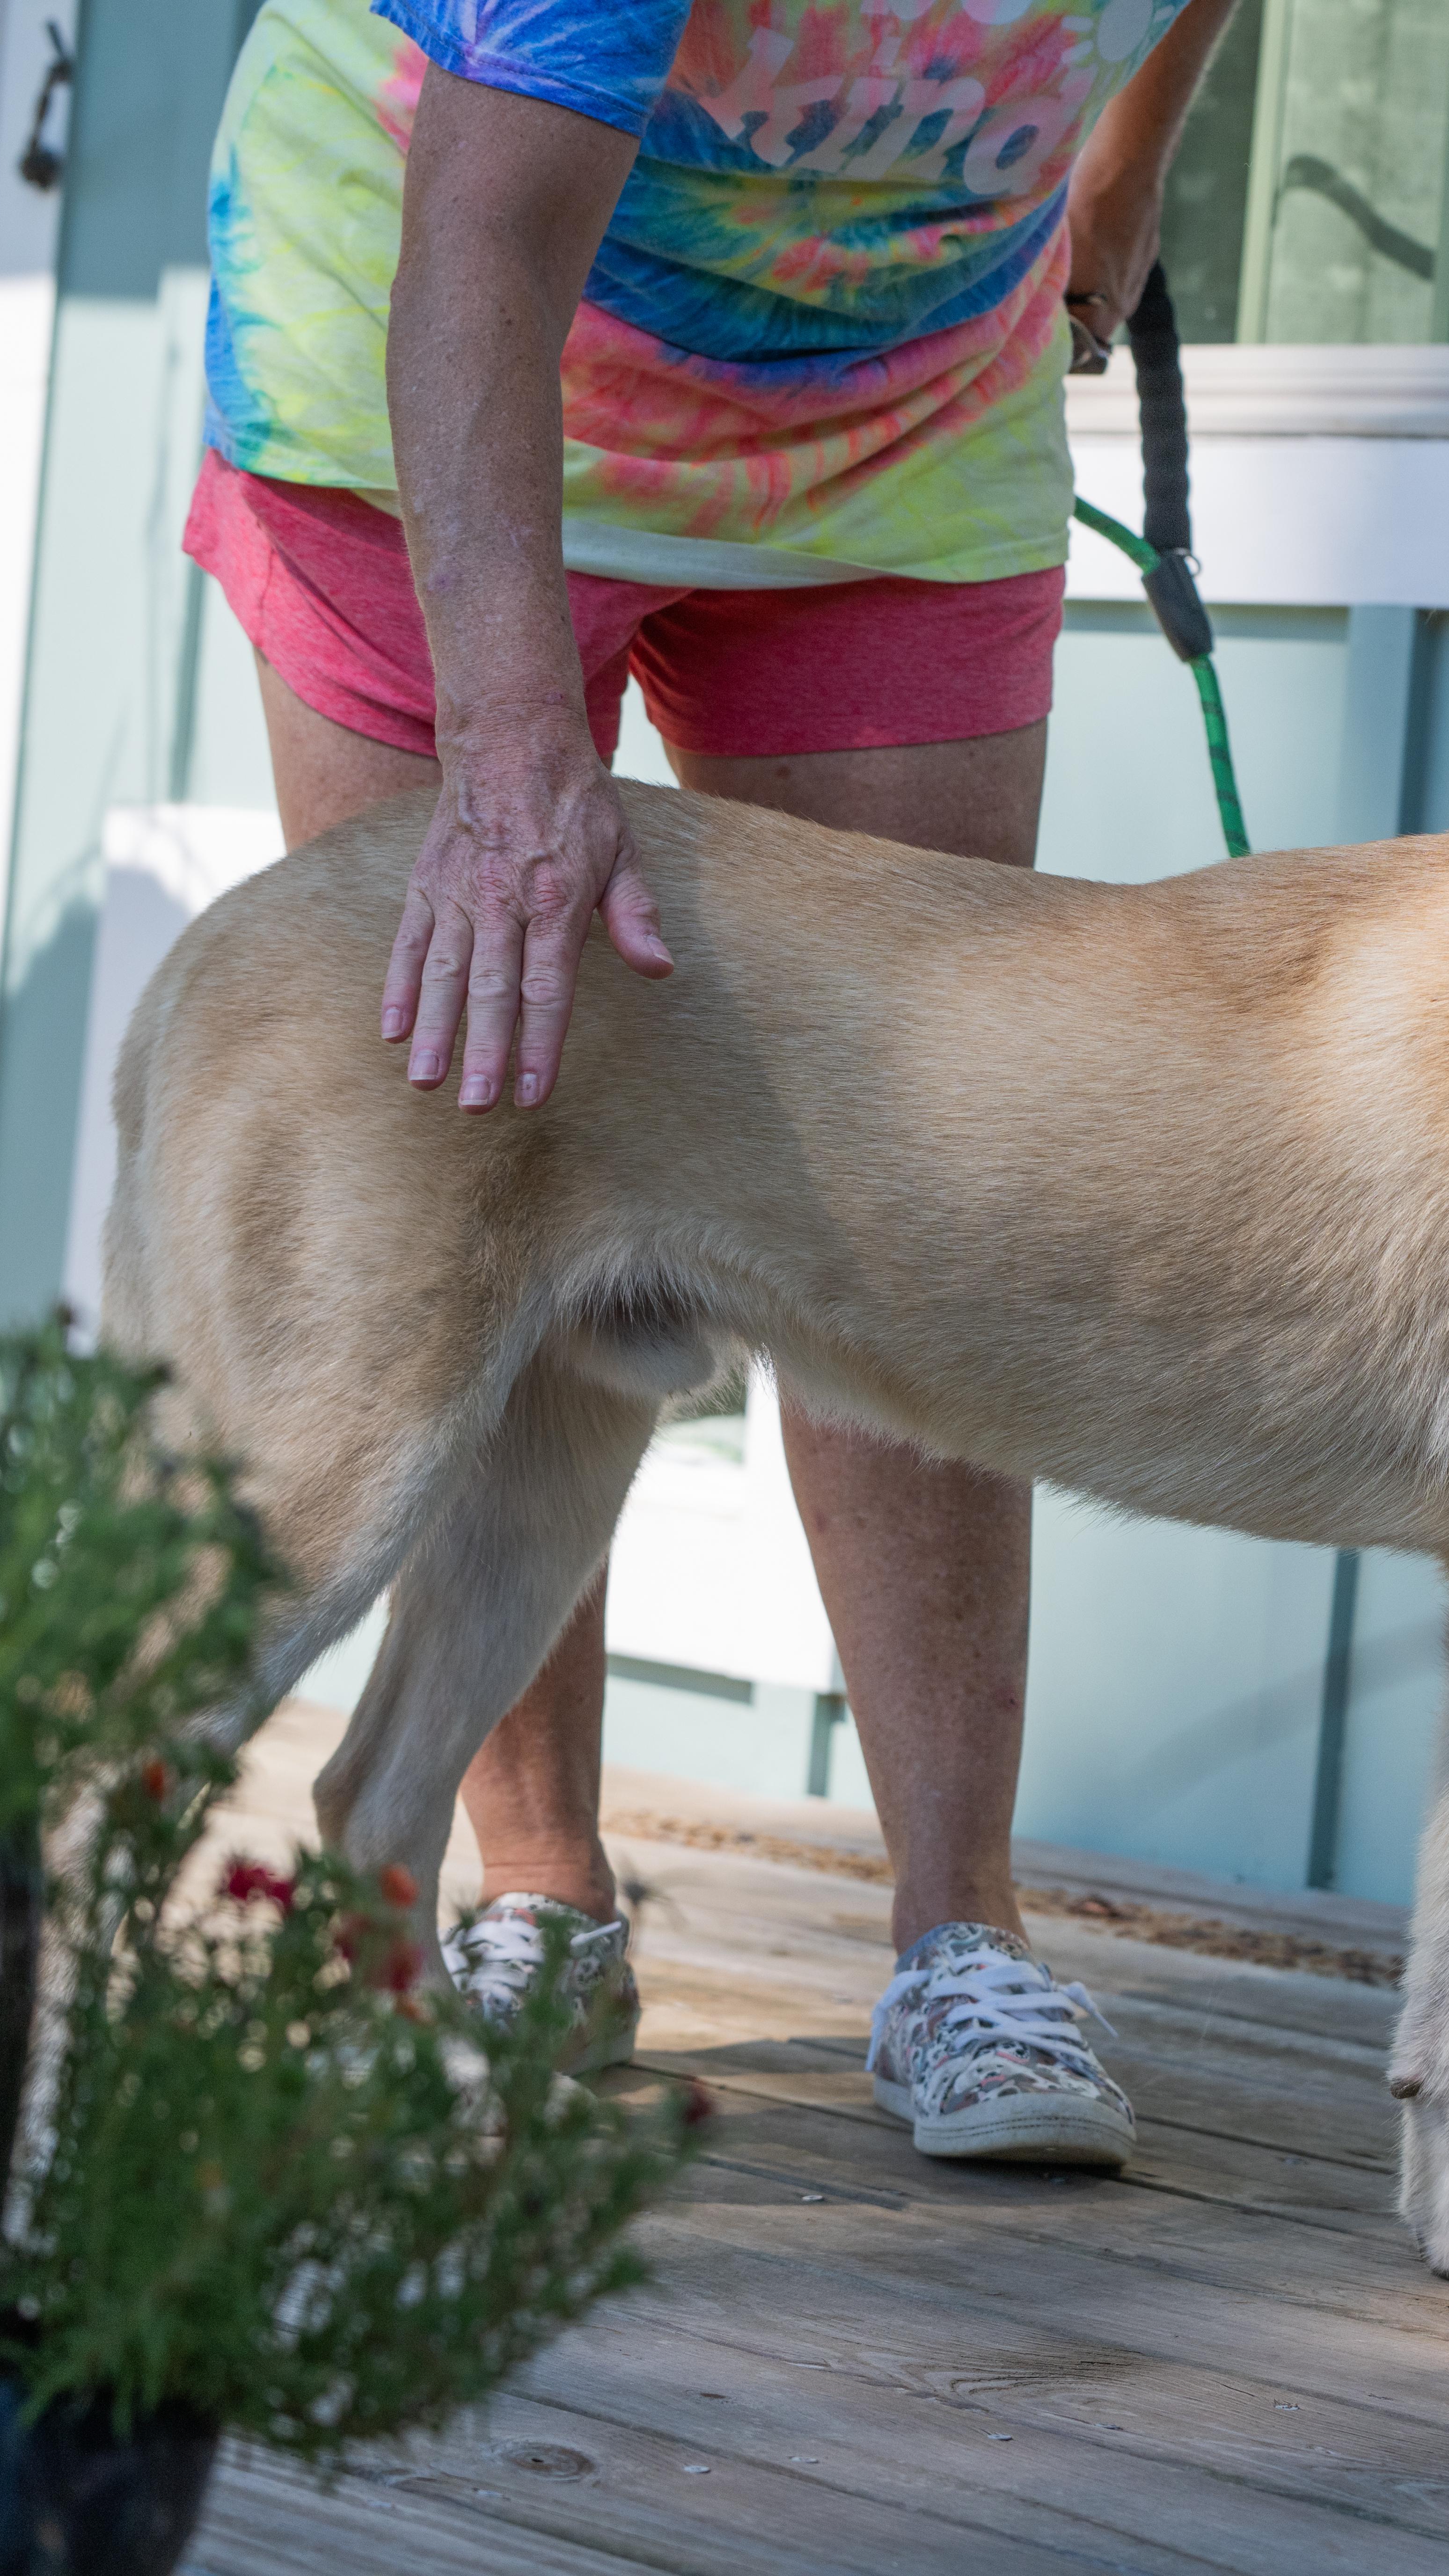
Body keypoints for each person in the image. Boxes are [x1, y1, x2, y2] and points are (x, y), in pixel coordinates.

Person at [188, 0, 1239, 2165]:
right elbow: (478, 251)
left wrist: (1126, 157)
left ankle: (963, 1930)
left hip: (896, 390)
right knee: (485, 1127)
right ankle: (538, 1892)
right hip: (438, 341)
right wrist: (508, 763)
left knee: (913, 1147)